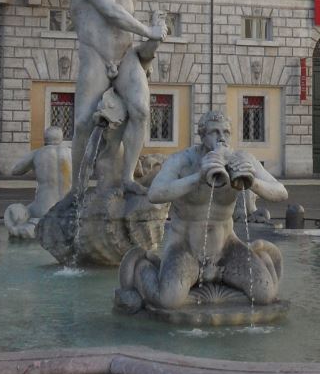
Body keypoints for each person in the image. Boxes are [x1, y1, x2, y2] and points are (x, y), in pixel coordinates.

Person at [122, 111, 288, 310]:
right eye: (214, 132)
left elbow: (281, 192)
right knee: (169, 300)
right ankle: (143, 267)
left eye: (226, 132)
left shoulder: (240, 159)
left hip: (226, 248)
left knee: (265, 294)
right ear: (202, 135)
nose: (221, 138)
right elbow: (155, 193)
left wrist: (252, 182)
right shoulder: (183, 160)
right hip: (186, 248)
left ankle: (254, 261)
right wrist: (198, 177)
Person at [69, 0, 166, 195]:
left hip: (126, 56)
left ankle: (128, 178)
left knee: (141, 111)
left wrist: (155, 38)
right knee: (83, 123)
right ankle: (76, 188)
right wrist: (149, 31)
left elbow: (134, 35)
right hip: (96, 55)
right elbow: (110, 11)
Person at [9, 126, 72, 219]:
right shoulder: (71, 153)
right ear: (61, 138)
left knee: (16, 212)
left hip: (43, 209)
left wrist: (33, 164)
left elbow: (15, 170)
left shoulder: (37, 153)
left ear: (45, 138)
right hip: (68, 210)